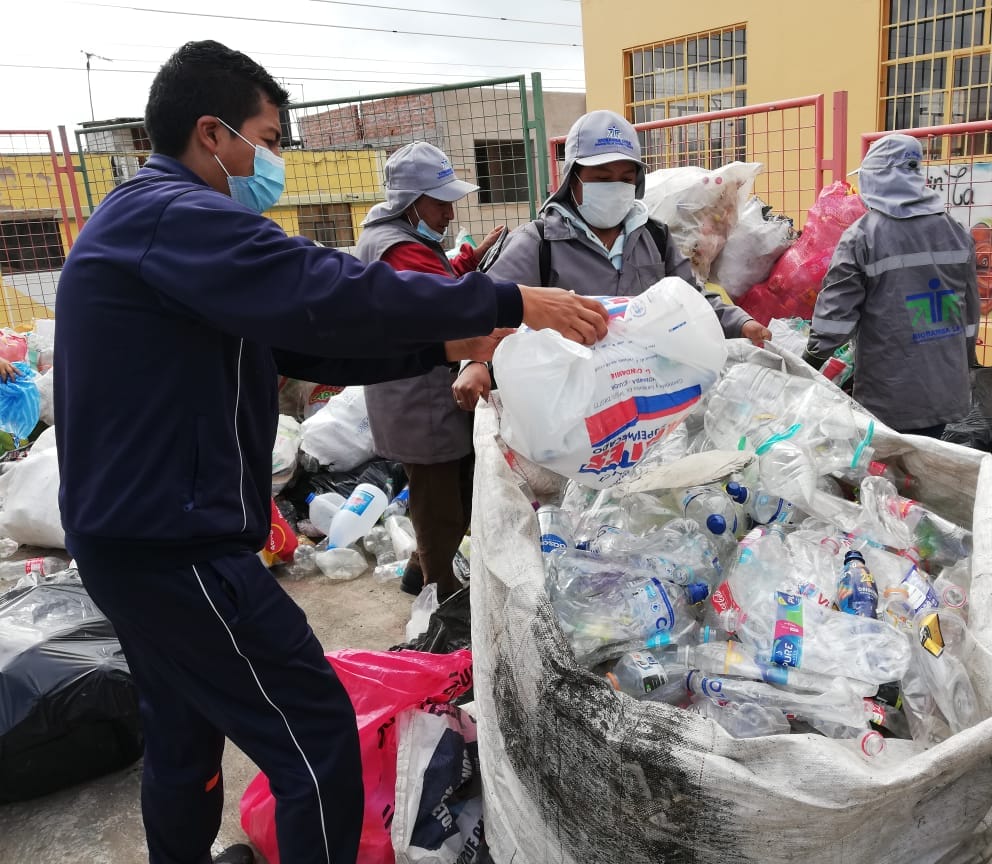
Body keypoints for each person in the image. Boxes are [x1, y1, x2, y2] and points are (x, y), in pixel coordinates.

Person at [53, 41, 608, 864]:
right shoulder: (172, 216)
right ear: (212, 134)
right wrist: (510, 298)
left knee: (182, 732)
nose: (274, 160)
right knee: (314, 736)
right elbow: (327, 289)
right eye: (268, 139)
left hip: (138, 537)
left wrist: (450, 344)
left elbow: (307, 349)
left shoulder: (160, 228)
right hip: (176, 549)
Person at [484, 109, 769, 374]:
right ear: (573, 180)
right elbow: (490, 308)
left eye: (625, 178)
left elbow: (690, 299)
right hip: (567, 395)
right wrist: (475, 364)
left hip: (642, 388)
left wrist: (740, 322)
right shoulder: (540, 243)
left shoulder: (655, 238)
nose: (615, 187)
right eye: (602, 178)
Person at [352, 142, 501, 600]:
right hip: (419, 400)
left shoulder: (400, 237)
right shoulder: (397, 248)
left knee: (448, 495)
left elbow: (432, 282)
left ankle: (419, 571)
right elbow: (444, 303)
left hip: (420, 394)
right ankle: (441, 601)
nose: (449, 215)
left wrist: (468, 261)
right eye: (440, 204)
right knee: (440, 508)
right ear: (410, 202)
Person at [803, 133, 980, 439]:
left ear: (876, 179)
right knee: (924, 470)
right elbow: (969, 315)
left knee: (885, 477)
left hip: (890, 393)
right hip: (945, 388)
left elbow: (835, 317)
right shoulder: (956, 231)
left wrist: (808, 361)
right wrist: (963, 365)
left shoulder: (863, 236)